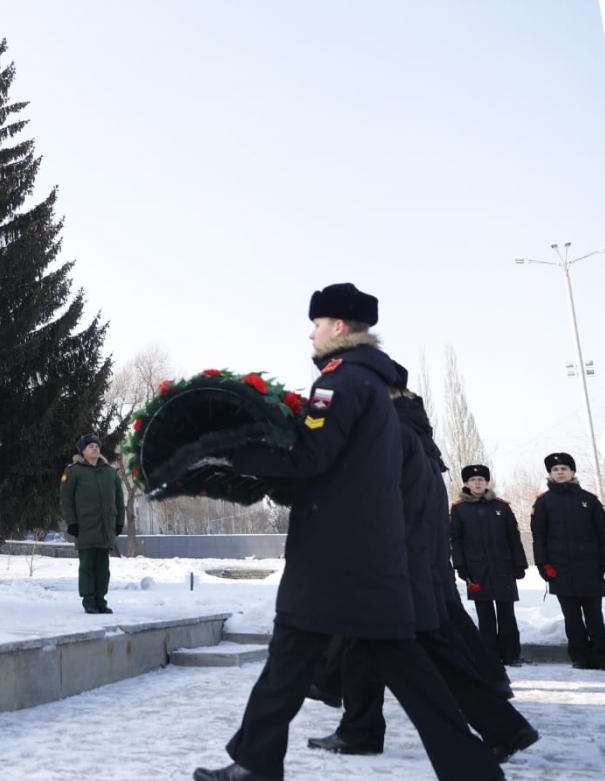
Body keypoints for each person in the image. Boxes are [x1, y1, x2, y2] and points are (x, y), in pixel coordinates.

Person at [192, 283, 502, 781]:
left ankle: (254, 764)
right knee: (372, 667)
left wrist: (230, 451)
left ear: (337, 327)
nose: (311, 334)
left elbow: (311, 458)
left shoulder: (341, 381)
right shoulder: (371, 385)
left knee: (298, 660)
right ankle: (255, 762)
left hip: (335, 556)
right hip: (361, 552)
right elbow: (334, 467)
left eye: (316, 324)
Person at [306, 372, 537, 766]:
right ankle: (359, 729)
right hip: (407, 565)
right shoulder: (410, 431)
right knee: (362, 645)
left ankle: (503, 728)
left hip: (392, 567)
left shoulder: (388, 433)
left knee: (426, 656)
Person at [531, 452, 605, 670]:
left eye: (564, 469)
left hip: (591, 568)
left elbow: (604, 534)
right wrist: (543, 564)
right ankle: (579, 657)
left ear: (572, 472)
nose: (560, 472)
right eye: (555, 470)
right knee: (572, 617)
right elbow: (538, 536)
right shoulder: (543, 503)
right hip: (560, 569)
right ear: (550, 474)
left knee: (594, 617)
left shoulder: (590, 500)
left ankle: (602, 657)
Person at [451, 465, 528, 666]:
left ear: (487, 483)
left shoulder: (501, 507)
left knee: (507, 615)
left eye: (481, 479)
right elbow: (456, 540)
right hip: (476, 570)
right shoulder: (459, 509)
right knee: (484, 616)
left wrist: (519, 564)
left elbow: (514, 537)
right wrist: (461, 566)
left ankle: (511, 655)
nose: (477, 483)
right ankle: (489, 657)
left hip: (503, 568)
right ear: (466, 484)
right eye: (473, 480)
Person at [60, 433, 123, 614]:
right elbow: (66, 499)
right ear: (82, 451)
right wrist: (72, 523)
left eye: (96, 445)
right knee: (87, 566)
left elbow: (119, 500)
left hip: (106, 528)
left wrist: (119, 523)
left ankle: (100, 600)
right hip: (85, 527)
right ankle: (89, 601)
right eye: (90, 446)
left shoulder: (110, 473)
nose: (95, 448)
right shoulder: (72, 472)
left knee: (103, 568)